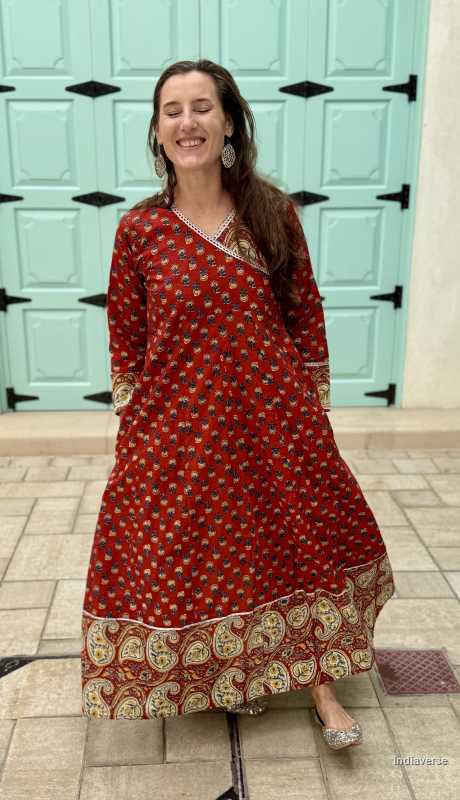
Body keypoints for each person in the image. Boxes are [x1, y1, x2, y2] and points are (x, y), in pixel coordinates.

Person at [80, 59, 395, 751]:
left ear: (228, 122)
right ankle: (238, 674)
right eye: (172, 110)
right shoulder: (140, 232)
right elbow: (126, 340)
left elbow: (303, 313)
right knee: (206, 548)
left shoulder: (270, 214)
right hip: (180, 425)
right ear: (157, 129)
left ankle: (323, 688)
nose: (187, 123)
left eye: (201, 108)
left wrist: (314, 406)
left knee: (297, 539)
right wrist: (134, 427)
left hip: (274, 415)